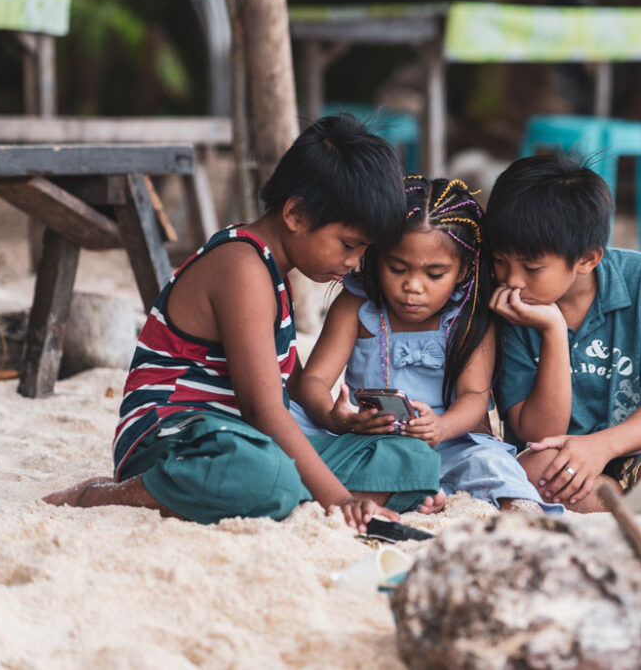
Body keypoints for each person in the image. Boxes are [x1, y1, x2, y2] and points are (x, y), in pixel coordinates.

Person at [43, 115, 442, 531]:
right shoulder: (241, 266)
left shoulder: (275, 274)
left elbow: (291, 384)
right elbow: (264, 410)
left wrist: (339, 421)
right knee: (266, 475)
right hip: (175, 441)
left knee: (414, 460)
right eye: (348, 245)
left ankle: (281, 492)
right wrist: (341, 500)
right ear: (297, 214)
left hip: (245, 441)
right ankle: (107, 495)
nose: (353, 263)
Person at [290, 177, 562, 515]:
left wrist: (441, 427)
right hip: (365, 439)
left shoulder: (467, 313)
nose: (412, 287)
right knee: (289, 417)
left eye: (434, 274)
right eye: (397, 268)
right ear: (376, 256)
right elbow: (314, 381)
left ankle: (501, 507)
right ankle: (415, 491)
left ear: (463, 270)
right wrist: (337, 419)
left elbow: (474, 396)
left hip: (448, 443)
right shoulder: (356, 306)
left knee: (489, 463)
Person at [484, 154, 641, 512]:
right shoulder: (506, 307)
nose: (512, 280)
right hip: (552, 454)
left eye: (532, 267)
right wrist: (552, 331)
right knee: (553, 481)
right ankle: (619, 505)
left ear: (587, 259)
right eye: (500, 261)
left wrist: (601, 447)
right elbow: (537, 433)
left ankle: (634, 499)